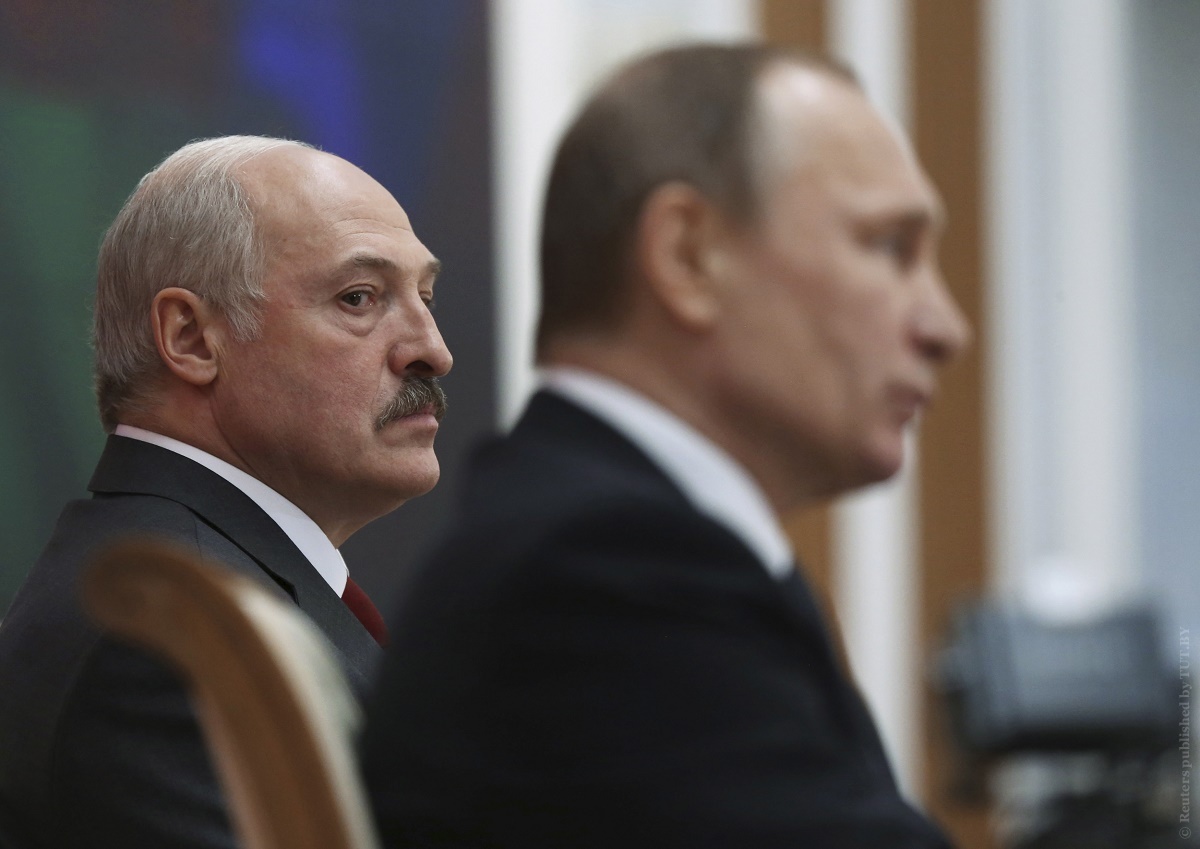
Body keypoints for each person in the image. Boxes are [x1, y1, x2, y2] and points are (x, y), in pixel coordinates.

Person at [361, 43, 970, 848]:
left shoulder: (608, 544)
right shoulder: (598, 572)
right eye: (889, 246)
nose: (945, 327)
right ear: (687, 256)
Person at [0, 136, 453, 848]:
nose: (433, 350)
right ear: (191, 338)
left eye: (424, 297)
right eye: (360, 298)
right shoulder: (165, 635)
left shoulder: (203, 584)